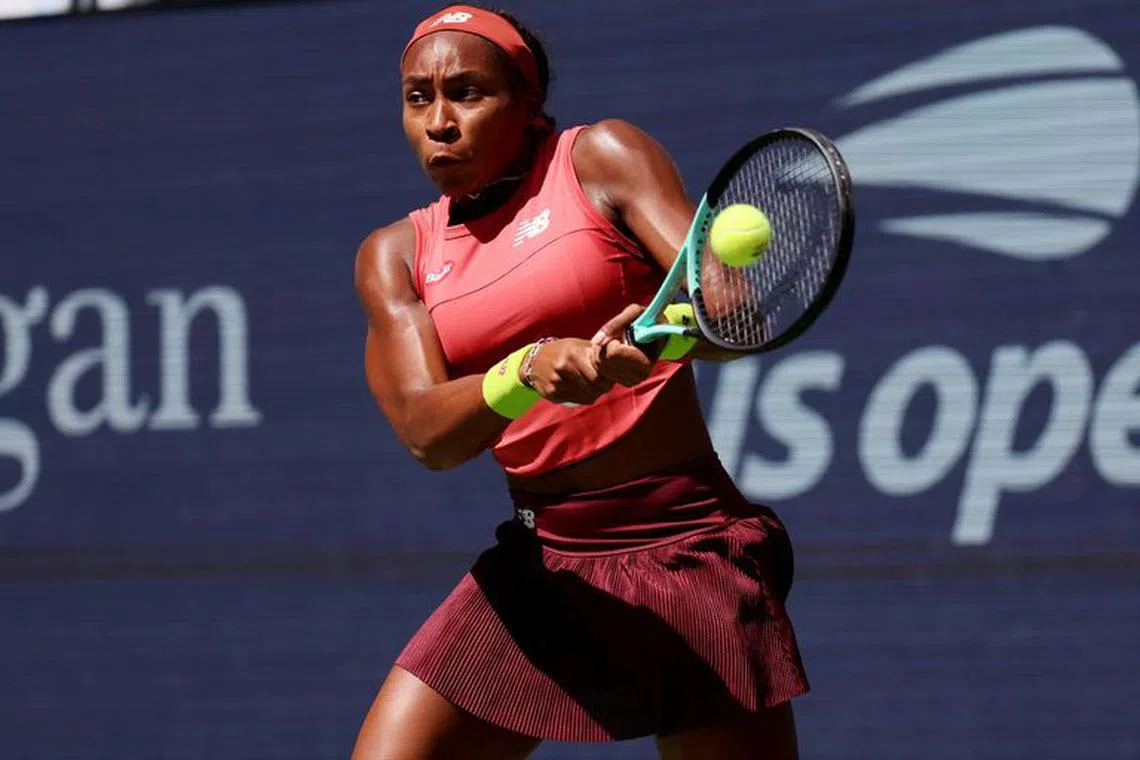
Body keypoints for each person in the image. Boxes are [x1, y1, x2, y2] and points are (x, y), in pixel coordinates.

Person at [351, 5, 808, 758]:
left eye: (467, 92)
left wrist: (662, 336)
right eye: (417, 98)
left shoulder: (601, 156)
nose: (439, 122)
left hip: (685, 548)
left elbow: (732, 315)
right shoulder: (395, 255)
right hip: (541, 567)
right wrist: (526, 370)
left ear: (527, 100)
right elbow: (428, 434)